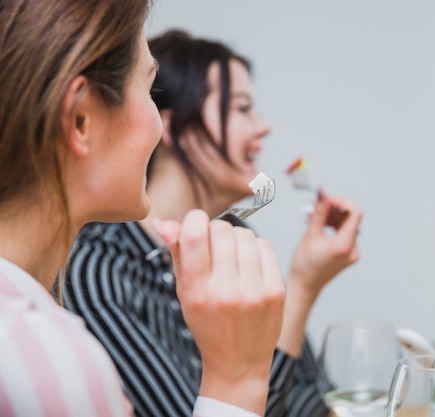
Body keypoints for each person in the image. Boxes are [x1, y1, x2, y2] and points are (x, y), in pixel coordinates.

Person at [0, 1, 286, 416]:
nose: (264, 128)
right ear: (81, 118)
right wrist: (236, 380)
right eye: (149, 89)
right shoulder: (47, 354)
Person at [62, 29, 363, 417]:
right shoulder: (97, 271)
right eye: (241, 109)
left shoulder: (236, 238)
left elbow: (311, 399)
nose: (263, 127)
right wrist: (303, 287)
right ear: (171, 129)